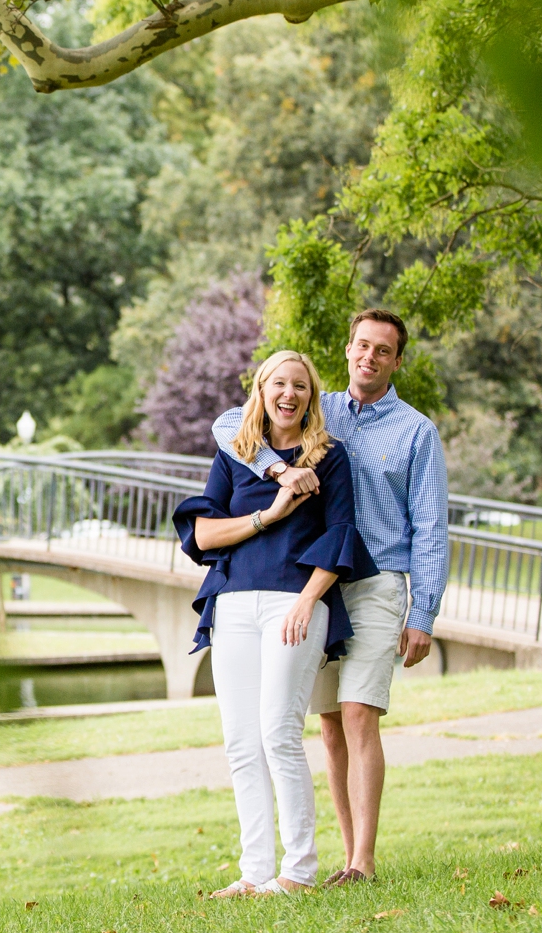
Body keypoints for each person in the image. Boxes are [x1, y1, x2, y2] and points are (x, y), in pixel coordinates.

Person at [211, 308, 447, 887]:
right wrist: (275, 470)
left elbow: (431, 527)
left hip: (375, 583)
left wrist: (424, 612)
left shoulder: (417, 431)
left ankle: (361, 863)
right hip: (313, 585)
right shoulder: (322, 408)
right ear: (348, 351)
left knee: (360, 711)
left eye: (383, 350)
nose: (370, 357)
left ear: (396, 360)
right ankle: (338, 857)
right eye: (362, 346)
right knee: (327, 722)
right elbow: (227, 425)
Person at [173, 350, 375, 897]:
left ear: (312, 397)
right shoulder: (235, 454)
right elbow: (205, 536)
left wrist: (310, 601)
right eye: (279, 384)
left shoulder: (328, 458)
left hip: (295, 604)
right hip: (234, 604)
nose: (289, 395)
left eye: (301, 387)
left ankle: (298, 871)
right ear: (261, 391)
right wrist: (272, 511)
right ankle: (254, 871)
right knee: (241, 742)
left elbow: (340, 535)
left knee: (278, 732)